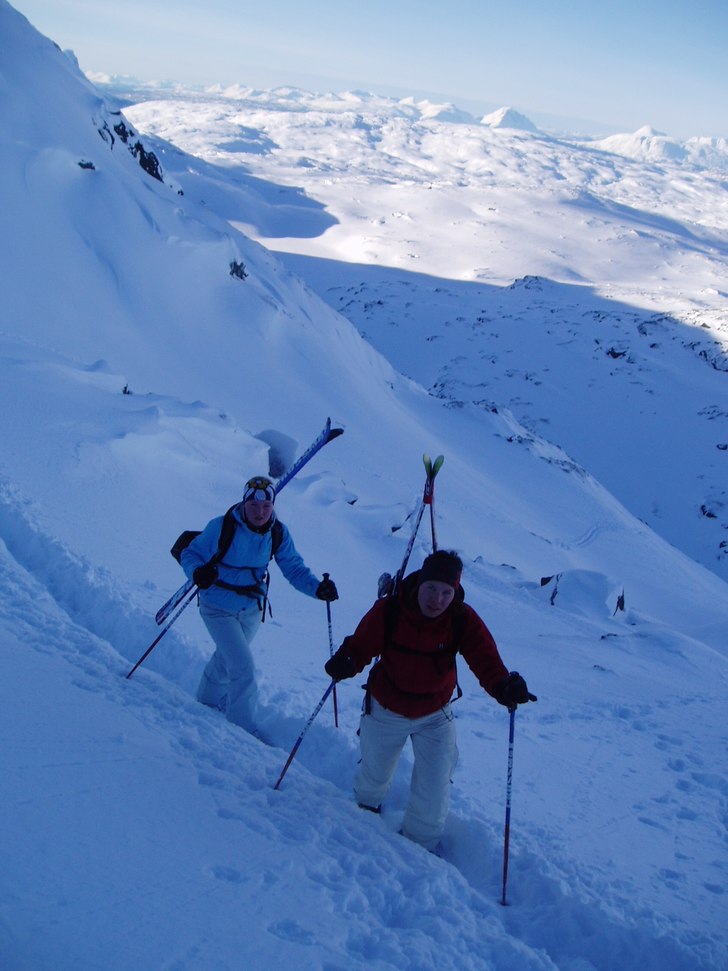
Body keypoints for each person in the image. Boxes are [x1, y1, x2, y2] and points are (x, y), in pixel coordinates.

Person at [324, 549, 535, 852]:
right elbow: (362, 645)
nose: (437, 599)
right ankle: (362, 822)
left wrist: (503, 686)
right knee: (373, 776)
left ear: (455, 592)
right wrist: (346, 661)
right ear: (420, 582)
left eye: (446, 592)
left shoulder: (461, 619)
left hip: (434, 715)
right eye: (431, 588)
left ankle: (418, 850)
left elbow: (485, 659)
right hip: (386, 707)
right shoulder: (391, 610)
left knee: (435, 788)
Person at [181, 475, 338, 735]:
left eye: (266, 507)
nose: (260, 512)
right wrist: (197, 572)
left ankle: (205, 705)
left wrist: (317, 589)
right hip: (217, 606)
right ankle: (241, 730)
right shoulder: (222, 526)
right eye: (254, 505)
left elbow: (294, 568)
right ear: (244, 503)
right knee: (243, 666)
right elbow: (190, 553)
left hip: (252, 609)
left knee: (226, 659)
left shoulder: (277, 532)